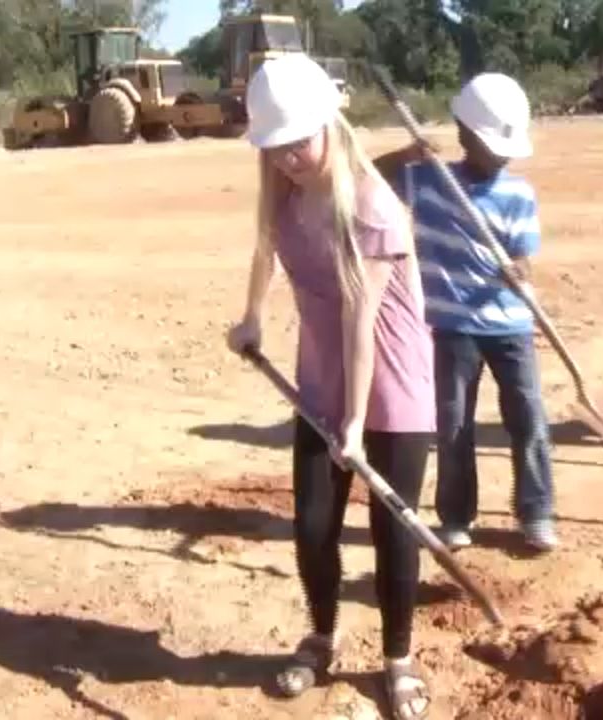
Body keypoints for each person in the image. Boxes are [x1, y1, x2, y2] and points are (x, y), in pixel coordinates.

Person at [225, 54, 435, 720]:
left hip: (391, 381)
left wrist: (354, 423)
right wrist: (253, 316)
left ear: (329, 122)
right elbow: (264, 246)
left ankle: (397, 660)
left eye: (297, 140)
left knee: (391, 531)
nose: (287, 156)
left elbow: (360, 319)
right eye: (275, 144)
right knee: (313, 525)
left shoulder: (371, 204)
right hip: (322, 375)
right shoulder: (282, 190)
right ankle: (321, 636)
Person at [373, 73, 557, 552]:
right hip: (452, 329)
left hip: (510, 326)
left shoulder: (519, 193)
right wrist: (405, 156)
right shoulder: (430, 182)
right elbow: (366, 178)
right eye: (492, 145)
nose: (502, 155)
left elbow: (523, 258)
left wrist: (518, 271)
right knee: (453, 426)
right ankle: (456, 516)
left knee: (530, 419)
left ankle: (536, 512)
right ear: (464, 134)